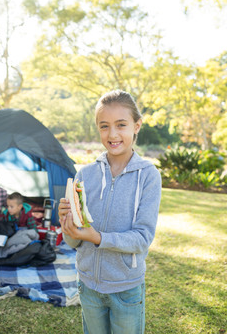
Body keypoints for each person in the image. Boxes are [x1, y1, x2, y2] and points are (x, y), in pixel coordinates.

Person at [58, 90, 162, 334]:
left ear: (137, 126)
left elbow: (142, 237)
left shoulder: (148, 175)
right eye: (104, 126)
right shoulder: (85, 174)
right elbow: (74, 241)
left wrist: (98, 238)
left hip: (125, 288)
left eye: (121, 125)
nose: (112, 134)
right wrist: (68, 223)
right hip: (88, 285)